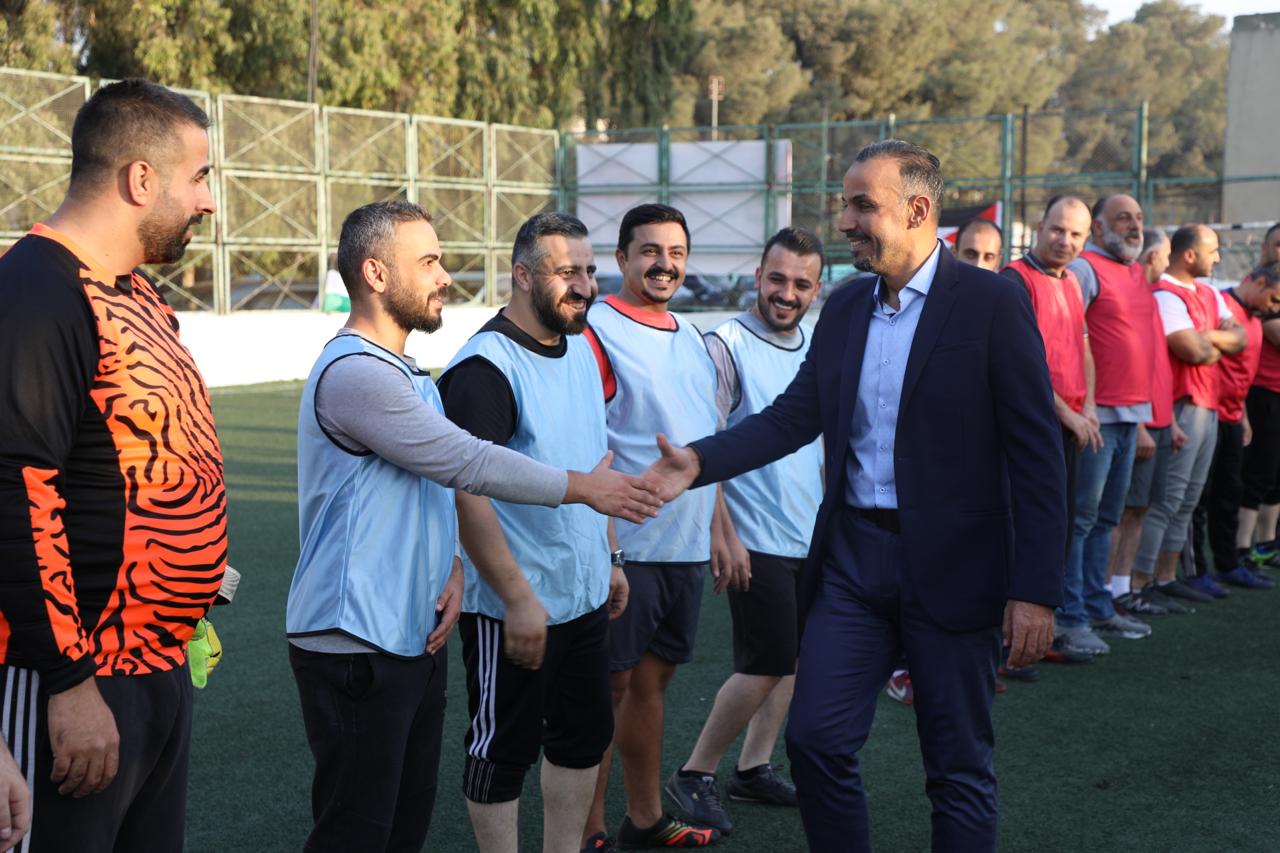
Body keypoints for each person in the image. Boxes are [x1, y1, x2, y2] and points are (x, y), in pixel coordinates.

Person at [643, 140, 1065, 853]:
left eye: (862, 205)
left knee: (957, 766)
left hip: (956, 568)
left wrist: (1035, 590)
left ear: (918, 210)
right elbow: (793, 416)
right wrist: (700, 461)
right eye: (845, 204)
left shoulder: (992, 303)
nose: (844, 221)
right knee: (814, 740)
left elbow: (1037, 455)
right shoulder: (843, 308)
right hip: (852, 564)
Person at [285, 201, 658, 853]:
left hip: (406, 633)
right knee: (358, 832)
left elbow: (429, 488)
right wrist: (582, 489)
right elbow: (467, 463)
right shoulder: (357, 373)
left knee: (400, 827)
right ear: (375, 273)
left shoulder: (406, 372)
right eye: (429, 261)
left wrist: (452, 566)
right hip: (354, 639)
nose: (445, 276)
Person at [0, 79, 228, 853]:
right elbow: (18, 491)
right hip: (74, 677)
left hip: (155, 667)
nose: (208, 202)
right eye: (199, 177)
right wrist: (68, 683)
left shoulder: (138, 294)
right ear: (140, 178)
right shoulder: (38, 290)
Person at [435, 212, 627, 853]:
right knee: (502, 750)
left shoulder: (581, 345)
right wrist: (516, 597)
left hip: (584, 594)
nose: (585, 286)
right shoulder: (484, 368)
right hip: (513, 606)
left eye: (590, 271)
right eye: (567, 272)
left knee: (583, 738)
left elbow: (593, 465)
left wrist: (610, 558)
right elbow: (465, 491)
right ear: (521, 275)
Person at [663, 228, 825, 836]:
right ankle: (694, 773)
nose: (787, 293)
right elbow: (703, 446)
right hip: (753, 535)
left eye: (801, 284)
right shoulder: (724, 345)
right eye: (777, 279)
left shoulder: (816, 344)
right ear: (758, 277)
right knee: (766, 661)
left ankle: (753, 768)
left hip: (807, 530)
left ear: (816, 289)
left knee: (792, 659)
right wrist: (721, 531)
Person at [580, 204, 721, 851]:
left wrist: (720, 528)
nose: (665, 264)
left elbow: (705, 445)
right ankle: (587, 831)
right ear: (622, 258)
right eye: (650, 251)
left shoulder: (692, 336)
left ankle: (643, 820)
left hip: (683, 546)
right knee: (606, 691)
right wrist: (609, 548)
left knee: (651, 685)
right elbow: (586, 444)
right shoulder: (597, 330)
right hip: (628, 548)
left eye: (676, 252)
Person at [1055, 194, 1160, 656]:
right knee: (1081, 520)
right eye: (1123, 219)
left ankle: (1098, 607)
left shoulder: (1134, 271)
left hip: (1128, 418)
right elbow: (1070, 338)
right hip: (1096, 418)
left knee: (1106, 519)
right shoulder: (1084, 270)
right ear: (1098, 228)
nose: (1135, 226)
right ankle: (1070, 614)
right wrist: (1085, 408)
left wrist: (1143, 419)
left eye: (1137, 218)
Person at [998, 195, 1097, 675]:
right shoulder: (1014, 280)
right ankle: (1007, 644)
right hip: (1033, 428)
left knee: (1061, 528)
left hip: (1072, 424)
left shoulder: (1073, 280)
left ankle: (1039, 636)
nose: (1065, 240)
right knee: (1023, 531)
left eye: (1076, 234)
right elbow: (1023, 365)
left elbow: (1084, 347)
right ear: (1039, 227)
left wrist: (1089, 407)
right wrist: (1068, 414)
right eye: (1058, 229)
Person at [1130, 225, 1246, 602]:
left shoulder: (1209, 293)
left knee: (1189, 500)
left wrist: (1206, 336)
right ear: (1190, 255)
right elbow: (1192, 351)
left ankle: (1166, 577)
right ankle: (1141, 580)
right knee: (1167, 500)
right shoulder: (1165, 293)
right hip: (1182, 405)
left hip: (1208, 405)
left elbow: (1240, 339)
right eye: (1213, 251)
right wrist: (1214, 342)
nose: (1218, 258)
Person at [1108, 229, 1189, 616]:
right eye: (1166, 254)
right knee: (1121, 511)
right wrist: (1139, 423)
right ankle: (1107, 590)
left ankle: (1124, 588)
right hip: (1137, 421)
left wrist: (1168, 420)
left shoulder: (1148, 296)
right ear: (1153, 256)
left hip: (1157, 420)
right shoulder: (1132, 294)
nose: (1168, 261)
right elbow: (1126, 365)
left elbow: (1156, 368)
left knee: (1139, 509)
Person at [1193, 263, 1280, 588]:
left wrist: (1241, 416)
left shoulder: (1254, 317)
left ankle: (1229, 563)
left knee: (1230, 492)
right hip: (1207, 413)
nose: (1273, 308)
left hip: (1232, 416)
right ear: (1259, 283)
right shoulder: (1223, 307)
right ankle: (1195, 571)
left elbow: (1241, 374)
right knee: (1198, 498)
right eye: (1273, 299)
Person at [1237, 224, 1280, 572]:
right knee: (1259, 472)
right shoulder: (1259, 286)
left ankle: (1266, 544)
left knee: (1276, 474)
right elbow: (1275, 331)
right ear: (1265, 247)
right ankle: (1241, 548)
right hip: (1262, 392)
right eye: (1278, 245)